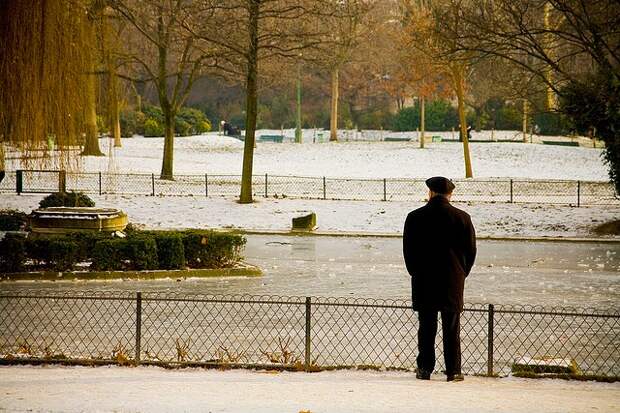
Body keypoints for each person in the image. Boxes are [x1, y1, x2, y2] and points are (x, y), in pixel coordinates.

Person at [402, 176, 476, 382]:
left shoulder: (415, 217)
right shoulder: (463, 218)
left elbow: (408, 251)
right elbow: (470, 252)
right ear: (450, 194)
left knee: (426, 326)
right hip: (452, 280)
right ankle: (454, 371)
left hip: (424, 278)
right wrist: (461, 272)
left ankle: (425, 369)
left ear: (431, 192)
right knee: (451, 326)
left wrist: (416, 272)